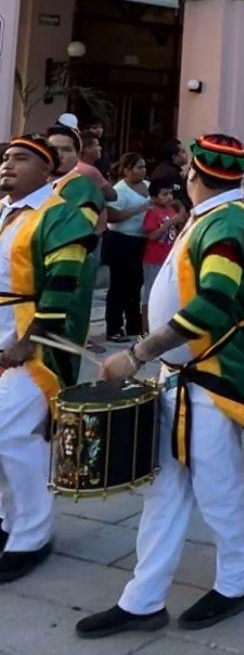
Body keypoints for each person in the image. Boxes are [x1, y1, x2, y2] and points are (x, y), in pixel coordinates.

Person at [76, 134, 244, 638]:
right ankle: (142, 599)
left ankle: (237, 583)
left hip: (211, 379)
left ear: (195, 174)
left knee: (217, 487)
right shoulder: (210, 216)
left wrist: (136, 354)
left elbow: (213, 304)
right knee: (164, 490)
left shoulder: (227, 223)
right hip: (179, 377)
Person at [0, 135, 94, 583]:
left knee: (12, 433)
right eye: (6, 157)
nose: (8, 164)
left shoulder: (59, 214)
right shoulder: (2, 210)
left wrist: (29, 339)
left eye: (21, 158)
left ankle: (33, 536)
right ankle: (7, 519)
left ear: (46, 170)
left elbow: (65, 281)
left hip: (31, 349)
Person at [47, 123, 106, 365]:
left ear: (78, 154)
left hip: (69, 277)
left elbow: (73, 234)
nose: (60, 155)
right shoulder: (40, 185)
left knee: (58, 351)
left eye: (67, 149)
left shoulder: (82, 187)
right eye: (54, 149)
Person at [105, 153, 152, 341]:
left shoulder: (148, 186)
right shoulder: (120, 190)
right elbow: (111, 216)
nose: (143, 171)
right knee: (119, 285)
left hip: (142, 240)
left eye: (144, 167)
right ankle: (114, 327)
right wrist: (137, 210)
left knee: (136, 284)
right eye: (139, 167)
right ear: (127, 170)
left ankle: (134, 325)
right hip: (121, 240)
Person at [141, 180, 185, 331]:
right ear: (154, 198)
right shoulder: (152, 213)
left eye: (170, 193)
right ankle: (146, 329)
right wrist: (170, 222)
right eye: (164, 194)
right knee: (150, 293)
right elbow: (152, 235)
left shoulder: (171, 210)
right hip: (154, 258)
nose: (169, 197)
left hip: (169, 257)